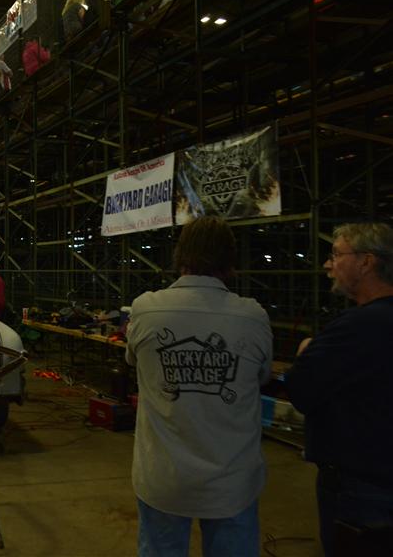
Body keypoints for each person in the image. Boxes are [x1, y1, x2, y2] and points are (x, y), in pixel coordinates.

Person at [125, 216, 272, 557]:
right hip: (231, 481)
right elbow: (261, 377)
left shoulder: (145, 309)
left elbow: (133, 361)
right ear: (230, 259)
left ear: (181, 255)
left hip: (163, 477)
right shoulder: (253, 316)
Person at [285, 223, 393, 556]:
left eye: (336, 254)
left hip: (363, 488)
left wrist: (305, 351)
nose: (328, 264)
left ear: (366, 262)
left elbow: (301, 389)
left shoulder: (358, 326)